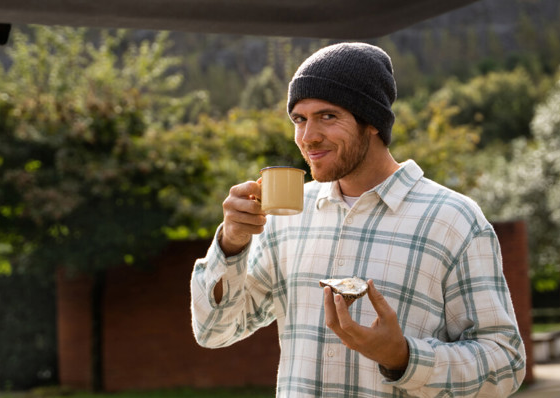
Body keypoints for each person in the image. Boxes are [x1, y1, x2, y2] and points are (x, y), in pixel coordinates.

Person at [190, 42, 526, 397]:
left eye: (328, 116)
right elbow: (214, 330)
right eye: (299, 119)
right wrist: (231, 244)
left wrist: (404, 358)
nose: (307, 137)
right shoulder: (286, 216)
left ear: (372, 123)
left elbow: (504, 364)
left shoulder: (453, 220)